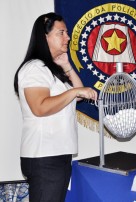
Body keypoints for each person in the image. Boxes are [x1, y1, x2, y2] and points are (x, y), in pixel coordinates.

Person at [14, 12, 97, 202]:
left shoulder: (50, 68)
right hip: (44, 157)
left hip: (56, 155)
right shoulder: (35, 68)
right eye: (61, 33)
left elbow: (78, 93)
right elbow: (40, 107)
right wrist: (74, 93)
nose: (67, 37)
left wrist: (67, 66)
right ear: (45, 37)